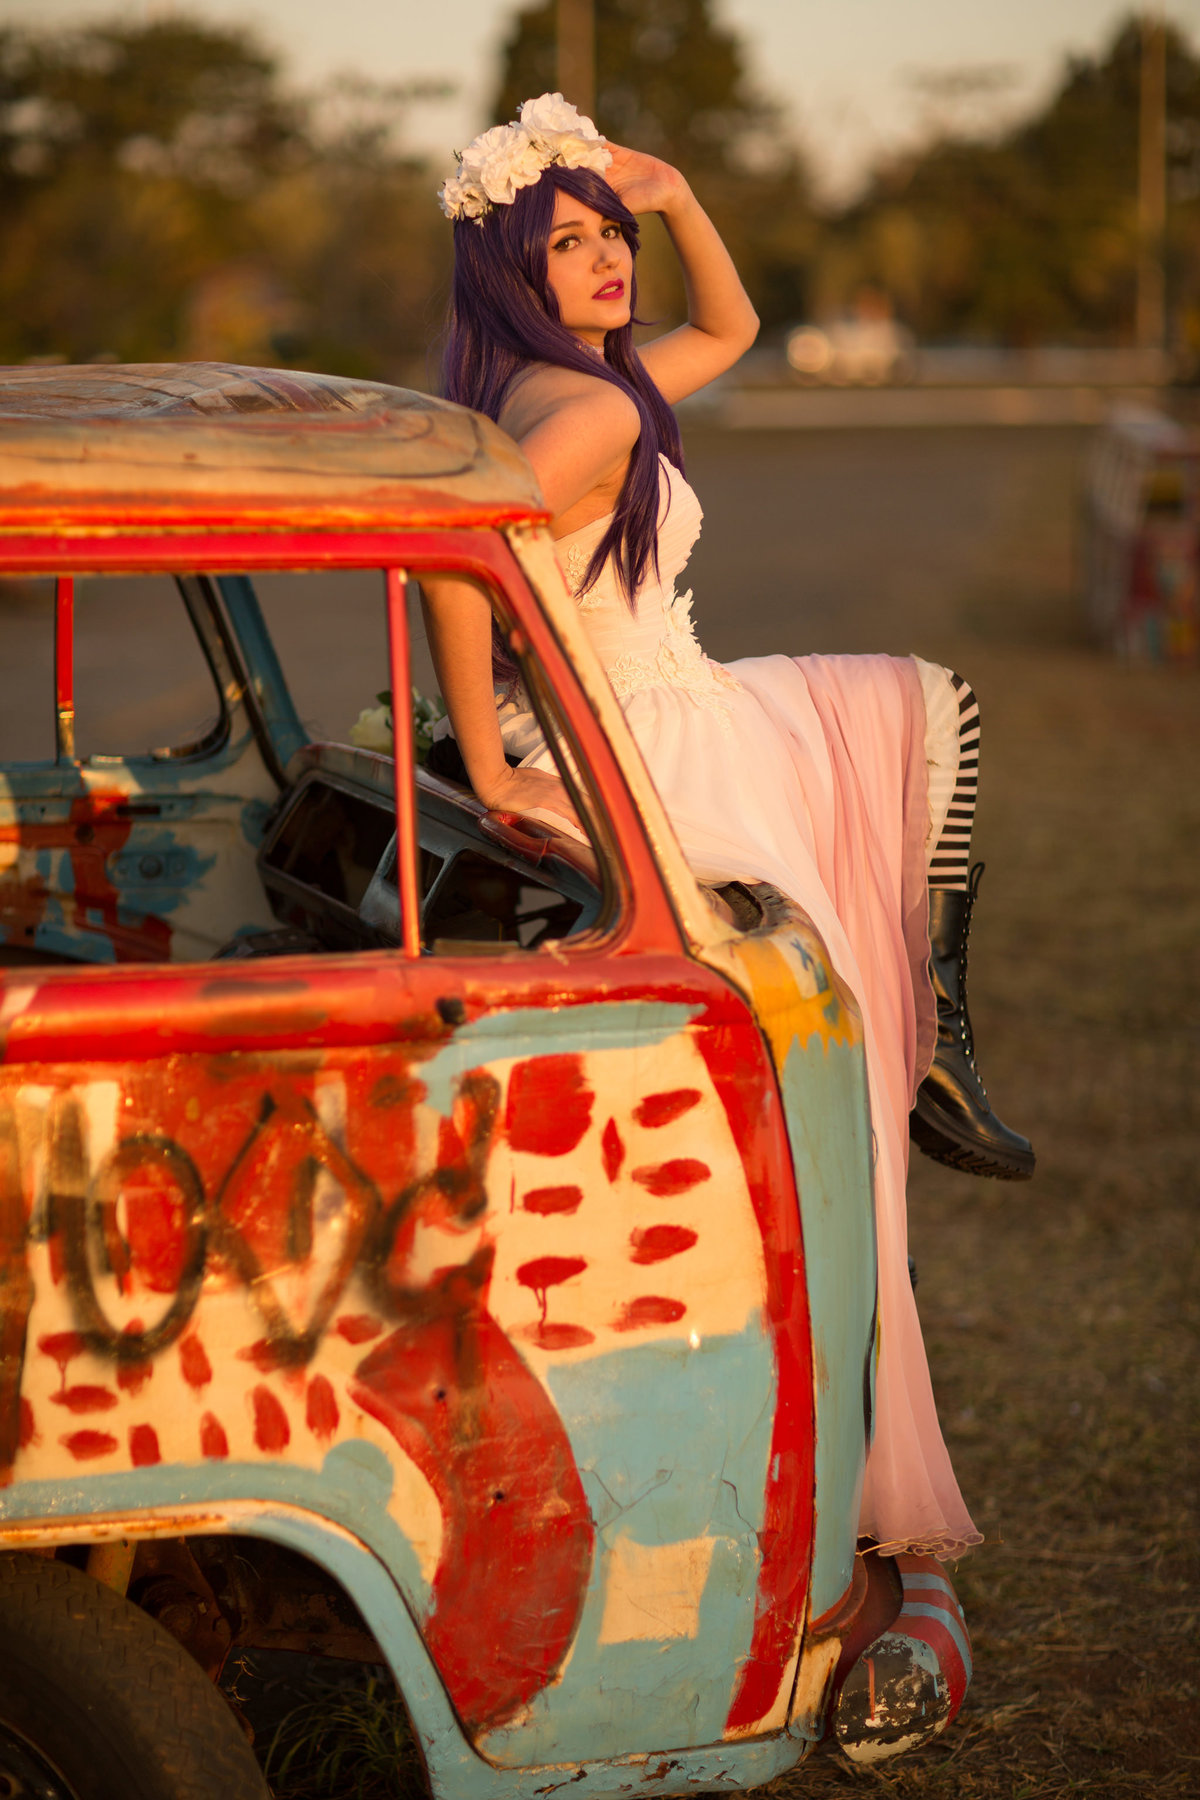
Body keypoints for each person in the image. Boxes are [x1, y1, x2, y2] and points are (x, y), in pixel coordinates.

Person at [421, 94, 1035, 1562]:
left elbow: (738, 329)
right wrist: (504, 771)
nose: (607, 263)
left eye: (612, 238)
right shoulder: (595, 411)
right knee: (811, 1066)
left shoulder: (545, 388)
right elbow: (450, 556)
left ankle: (935, 1040)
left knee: (911, 709)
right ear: (514, 268)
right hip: (659, 742)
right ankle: (929, 1050)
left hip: (667, 705)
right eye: (568, 245)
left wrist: (681, 192)